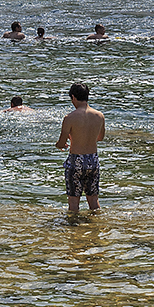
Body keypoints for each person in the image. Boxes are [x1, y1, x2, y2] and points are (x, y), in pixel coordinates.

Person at [57, 82, 107, 213]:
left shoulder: (70, 118)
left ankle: (74, 230)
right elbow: (100, 138)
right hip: (93, 160)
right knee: (94, 202)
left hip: (76, 161)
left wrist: (66, 142)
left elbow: (61, 143)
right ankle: (96, 228)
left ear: (73, 97)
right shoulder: (99, 116)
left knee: (74, 204)